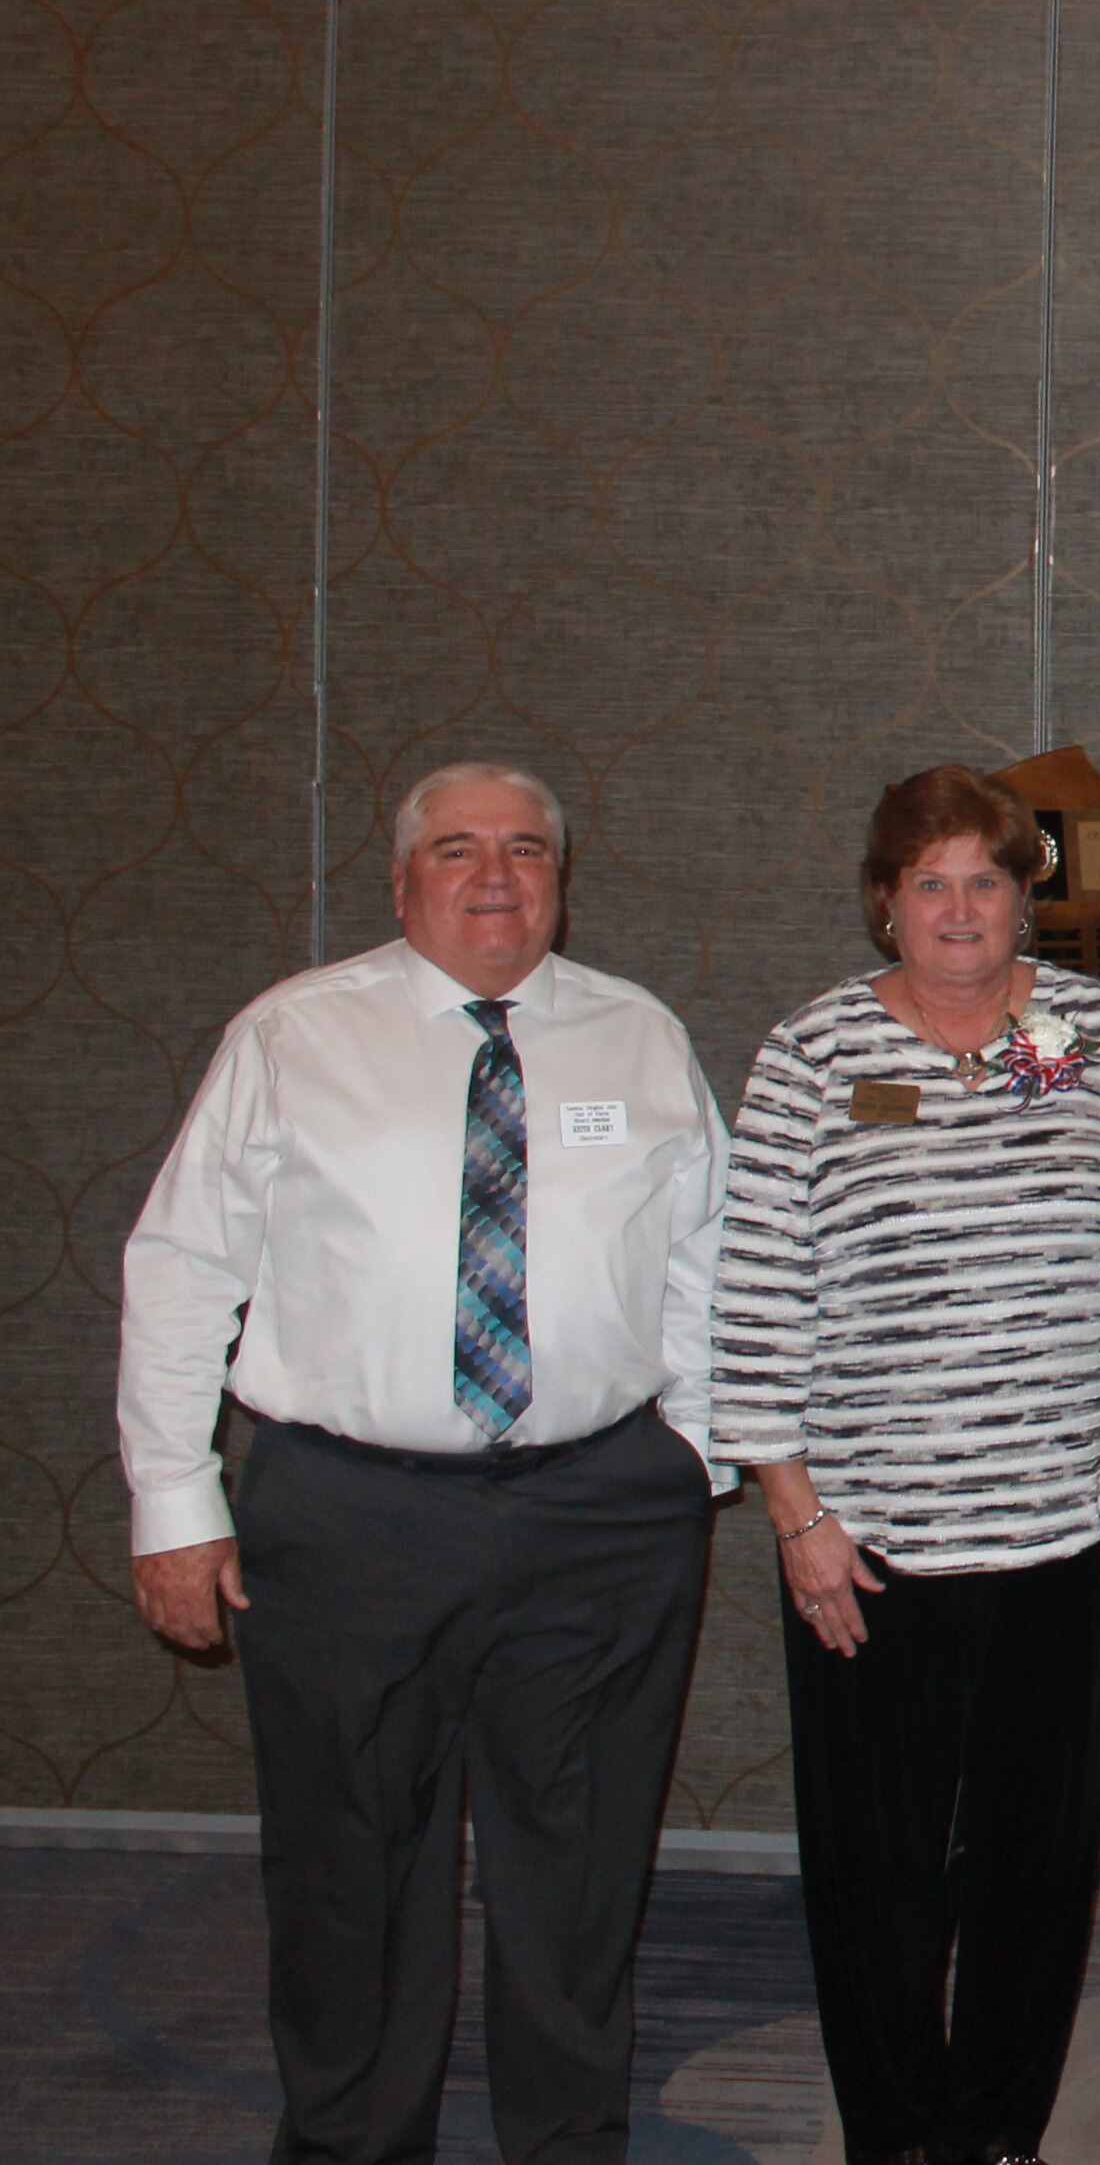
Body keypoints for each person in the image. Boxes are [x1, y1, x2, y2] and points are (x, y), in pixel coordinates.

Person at [118, 760, 729, 2165]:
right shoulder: (293, 1033)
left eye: (526, 848)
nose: (496, 875)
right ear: (402, 883)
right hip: (352, 1513)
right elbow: (182, 1264)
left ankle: (567, 2139)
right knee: (348, 1865)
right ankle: (350, 2141)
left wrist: (687, 1448)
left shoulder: (638, 1033)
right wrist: (173, 1498)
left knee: (579, 1865)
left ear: (563, 878)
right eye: (458, 849)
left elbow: (710, 1255)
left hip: (598, 1512)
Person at [713, 763, 1100, 2165]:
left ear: (1023, 897)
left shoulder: (1091, 1035)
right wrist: (795, 1515)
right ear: (885, 899)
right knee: (874, 1865)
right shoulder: (815, 1052)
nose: (959, 907)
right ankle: (892, 2132)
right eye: (930, 881)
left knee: (1036, 1859)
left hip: (1067, 1526)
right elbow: (754, 1300)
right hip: (870, 1542)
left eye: (986, 879)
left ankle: (1000, 2128)